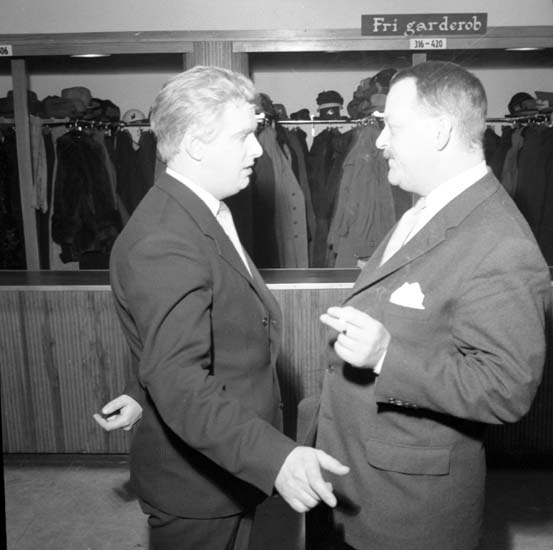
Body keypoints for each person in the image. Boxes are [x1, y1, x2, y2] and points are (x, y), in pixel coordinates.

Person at [93, 65, 348, 550]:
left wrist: (140, 390)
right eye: (243, 136)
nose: (258, 150)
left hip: (224, 465)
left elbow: (182, 339)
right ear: (195, 144)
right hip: (198, 488)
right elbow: (179, 378)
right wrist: (276, 458)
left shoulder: (199, 209)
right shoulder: (166, 239)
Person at [311, 61, 551, 550]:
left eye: (392, 127)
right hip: (360, 480)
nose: (380, 141)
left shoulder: (500, 240)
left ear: (439, 131)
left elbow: (507, 389)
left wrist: (385, 356)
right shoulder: (428, 205)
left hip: (407, 512)